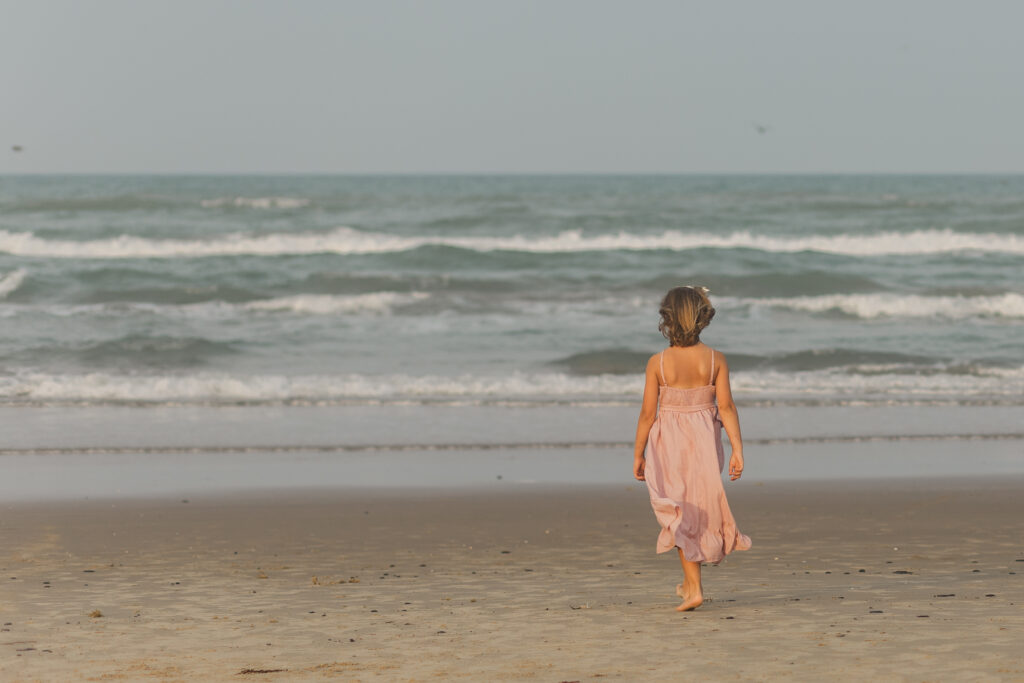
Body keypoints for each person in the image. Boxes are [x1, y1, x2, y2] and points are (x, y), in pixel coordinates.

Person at [633, 286, 751, 612]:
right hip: (704, 439)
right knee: (696, 507)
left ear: (667, 320)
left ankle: (694, 588)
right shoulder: (715, 360)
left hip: (667, 443)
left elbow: (647, 413)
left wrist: (638, 453)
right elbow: (726, 407)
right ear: (703, 318)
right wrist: (738, 449)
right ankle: (689, 584)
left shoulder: (658, 363)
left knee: (677, 511)